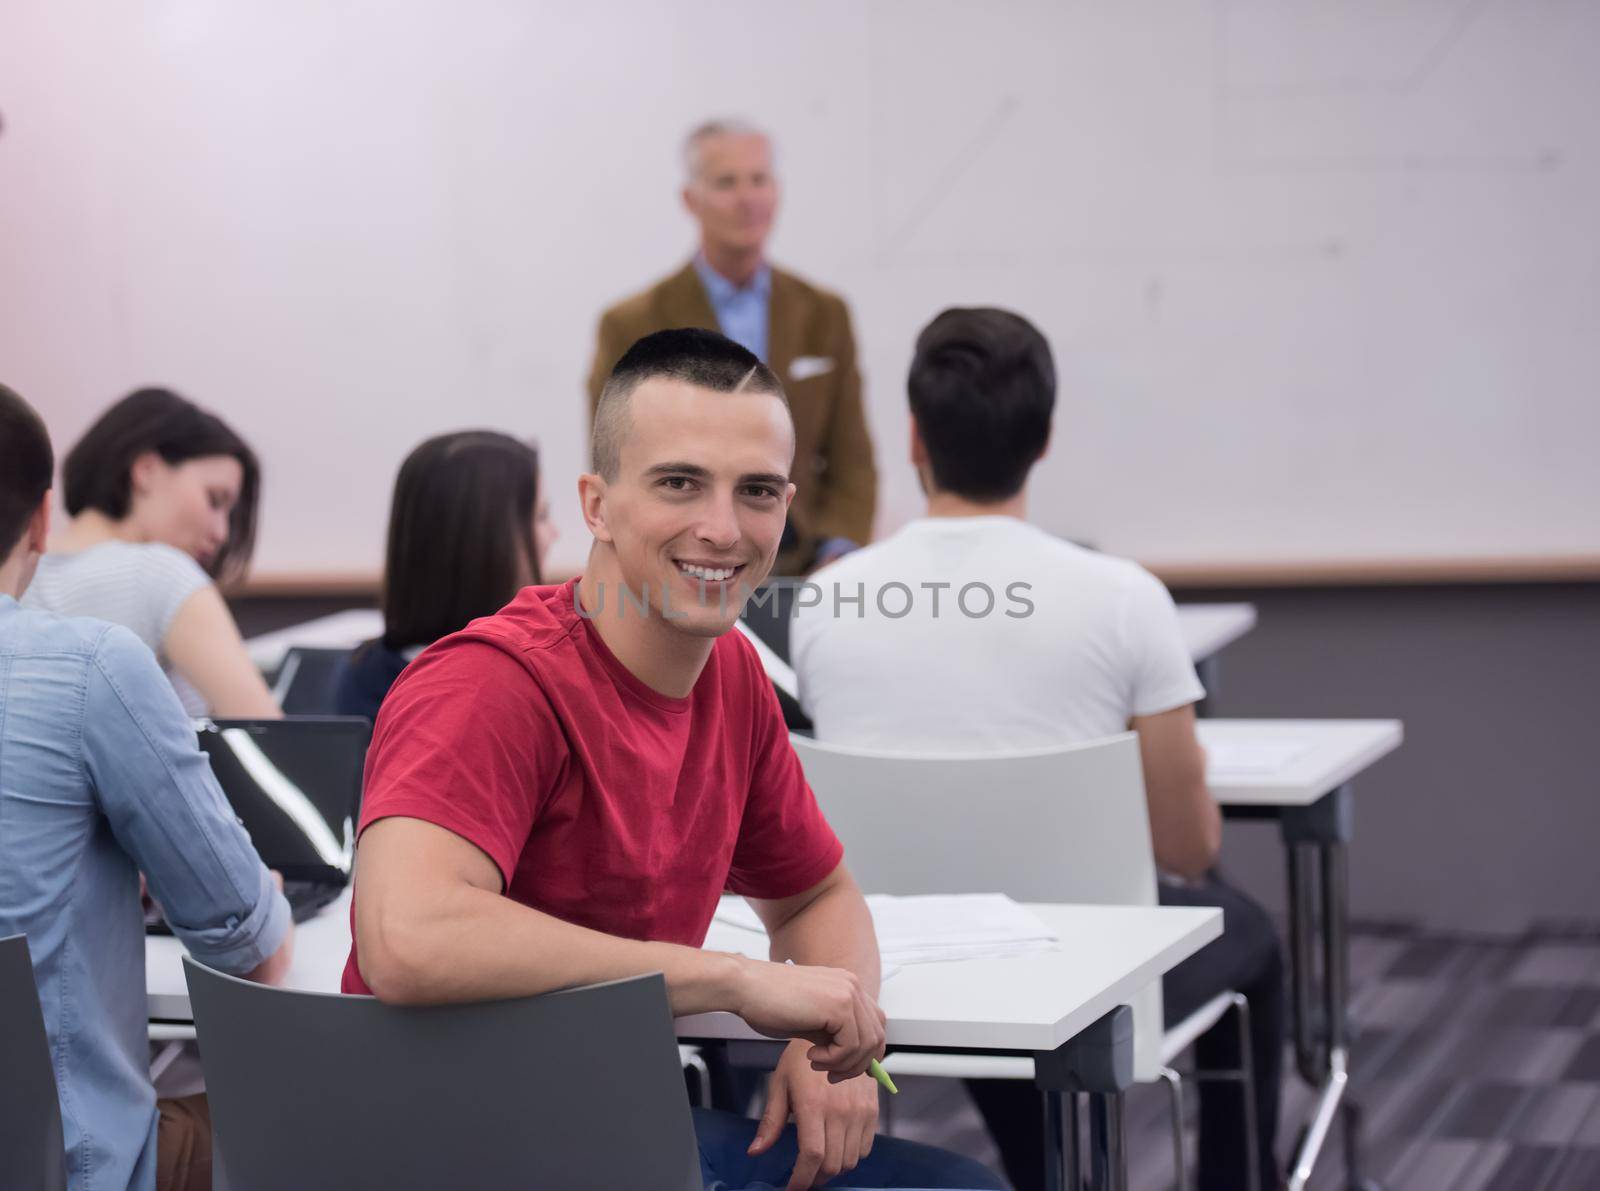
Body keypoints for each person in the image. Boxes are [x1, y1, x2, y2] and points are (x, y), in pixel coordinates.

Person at [343, 330, 1002, 1191]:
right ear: (596, 504)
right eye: (680, 482)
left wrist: (826, 1036)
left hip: (609, 1128)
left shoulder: (733, 676)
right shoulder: (489, 683)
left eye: (757, 492)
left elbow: (814, 892)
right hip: (447, 1144)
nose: (722, 529)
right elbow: (406, 939)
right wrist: (736, 980)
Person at [789, 308, 1285, 1191]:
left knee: (986, 916)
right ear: (1044, 437)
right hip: (1082, 975)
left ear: (913, 438)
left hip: (891, 973)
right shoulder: (1126, 598)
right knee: (1247, 929)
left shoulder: (826, 602)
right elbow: (1189, 847)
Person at [0, 383, 294, 1191]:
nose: (221, 529)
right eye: (217, 500)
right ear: (37, 520)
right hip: (67, 1167)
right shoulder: (93, 661)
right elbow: (253, 948)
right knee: (338, 1107)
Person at [587, 119, 876, 576]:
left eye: (759, 179)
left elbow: (853, 457)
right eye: (726, 182)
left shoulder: (825, 314)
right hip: (685, 561)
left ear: (777, 191)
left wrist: (839, 551)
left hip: (806, 566)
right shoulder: (631, 323)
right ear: (690, 200)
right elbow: (617, 464)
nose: (747, 198)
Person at [22, 387, 278, 718]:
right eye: (215, 500)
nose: (222, 532)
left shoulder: (20, 569)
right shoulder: (161, 572)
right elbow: (269, 734)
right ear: (145, 470)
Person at [334, 430, 557, 721]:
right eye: (540, 517)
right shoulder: (471, 693)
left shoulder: (367, 673)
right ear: (487, 538)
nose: (553, 534)